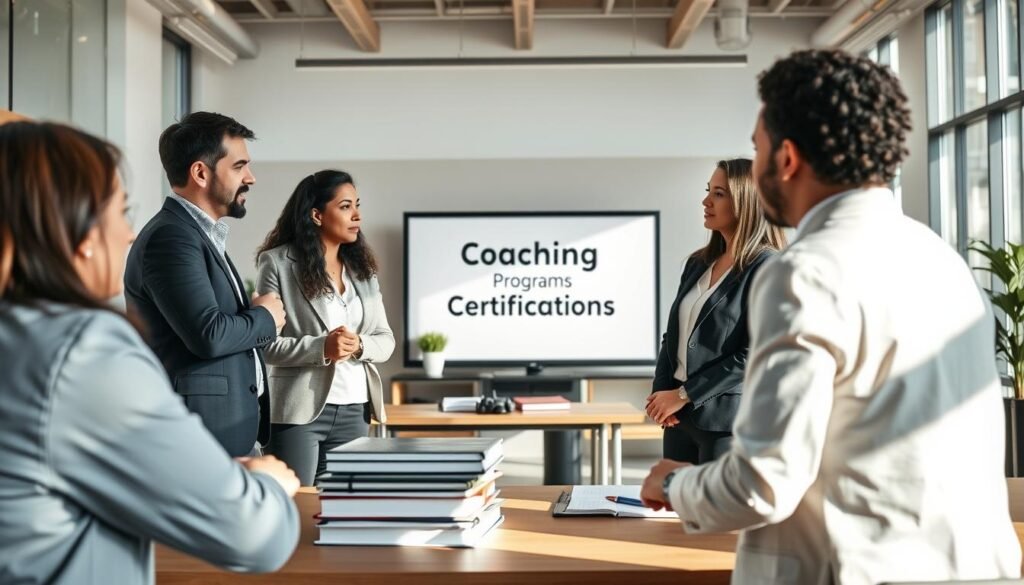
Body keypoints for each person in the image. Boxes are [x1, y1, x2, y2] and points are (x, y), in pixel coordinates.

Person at [640, 49, 1022, 584]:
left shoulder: (804, 273)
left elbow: (763, 484)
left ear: (787, 159)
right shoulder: (944, 262)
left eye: (758, 148)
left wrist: (672, 485)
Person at [0, 120, 300, 584]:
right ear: (78, 233)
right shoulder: (83, 352)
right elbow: (256, 535)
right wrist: (266, 485)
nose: (127, 235)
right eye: (120, 212)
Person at [124, 111, 286, 457]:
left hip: (222, 434)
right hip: (201, 439)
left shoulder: (196, 235)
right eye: (239, 166)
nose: (251, 178)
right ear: (200, 172)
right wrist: (265, 318)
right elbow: (208, 334)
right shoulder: (172, 238)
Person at [256, 170, 394, 485]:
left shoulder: (364, 272)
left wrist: (359, 344)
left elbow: (386, 340)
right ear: (317, 215)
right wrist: (323, 348)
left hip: (355, 409)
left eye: (357, 205)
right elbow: (265, 344)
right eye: (345, 206)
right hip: (298, 412)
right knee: (297, 502)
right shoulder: (276, 263)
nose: (357, 215)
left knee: (345, 505)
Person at [646, 158, 785, 464]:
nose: (706, 201)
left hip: (726, 424)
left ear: (746, 201)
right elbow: (673, 336)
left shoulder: (768, 267)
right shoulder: (698, 263)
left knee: (715, 498)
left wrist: (684, 394)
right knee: (674, 496)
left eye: (719, 194)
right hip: (679, 418)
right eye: (708, 190)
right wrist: (662, 395)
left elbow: (755, 353)